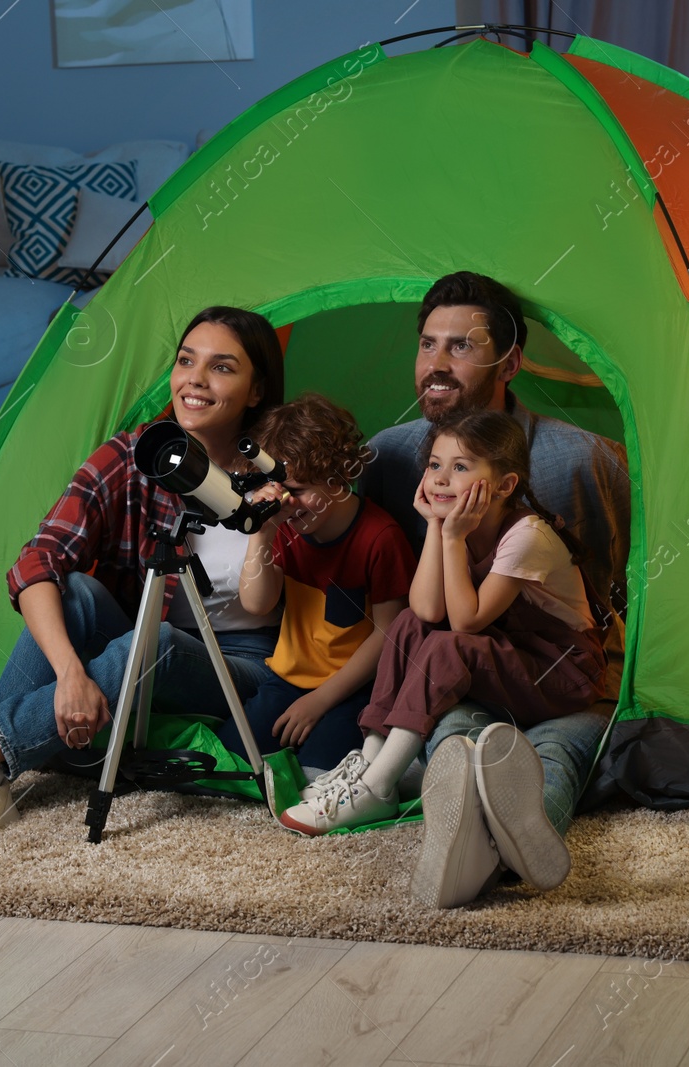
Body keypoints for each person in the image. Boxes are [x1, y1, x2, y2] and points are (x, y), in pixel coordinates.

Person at [0, 306, 286, 847]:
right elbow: (37, 561)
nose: (196, 380)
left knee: (152, 639)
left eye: (223, 367)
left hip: (243, 665)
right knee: (78, 593)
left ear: (256, 390)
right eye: (187, 361)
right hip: (141, 646)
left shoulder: (278, 469)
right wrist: (70, 674)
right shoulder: (138, 455)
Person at [358, 271, 630, 907]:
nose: (437, 365)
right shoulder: (391, 458)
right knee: (457, 732)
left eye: (462, 347)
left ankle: (493, 843)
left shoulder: (585, 460)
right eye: (427, 345)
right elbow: (419, 609)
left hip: (562, 675)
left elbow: (617, 587)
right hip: (468, 667)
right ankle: (460, 837)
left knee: (554, 753)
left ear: (510, 363)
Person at [278, 413, 607, 879]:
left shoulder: (528, 536)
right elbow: (426, 610)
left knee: (449, 646)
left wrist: (451, 535)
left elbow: (466, 622)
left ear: (504, 484)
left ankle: (381, 782)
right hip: (507, 654)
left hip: (559, 671)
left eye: (461, 467)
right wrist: (436, 528)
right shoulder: (455, 523)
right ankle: (370, 767)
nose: (441, 479)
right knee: (410, 625)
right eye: (434, 465)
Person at [212, 393, 417, 776]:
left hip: (354, 688)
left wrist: (321, 700)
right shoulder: (286, 526)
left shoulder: (380, 537)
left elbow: (389, 633)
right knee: (228, 766)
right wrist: (262, 533)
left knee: (318, 775)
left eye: (299, 489)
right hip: (287, 679)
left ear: (339, 478)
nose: (289, 503)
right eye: (279, 491)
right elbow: (257, 604)